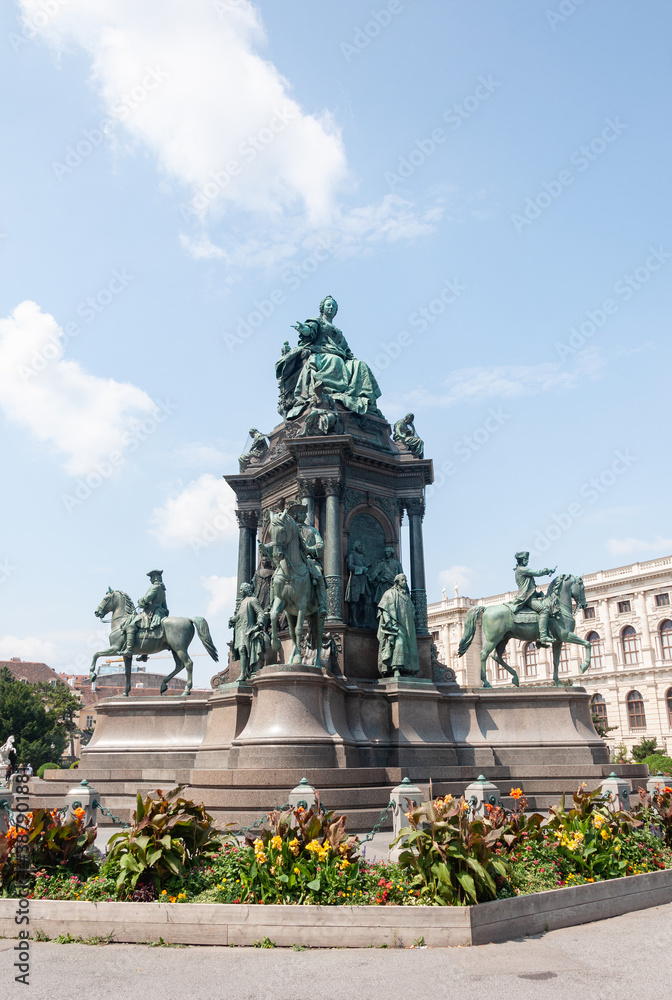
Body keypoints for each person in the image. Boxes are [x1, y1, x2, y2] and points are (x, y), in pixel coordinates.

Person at [276, 296, 382, 417]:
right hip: (321, 354)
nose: (331, 307)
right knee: (335, 360)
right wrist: (304, 330)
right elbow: (310, 331)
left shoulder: (338, 331)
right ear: (322, 308)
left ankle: (364, 400)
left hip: (339, 355)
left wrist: (351, 359)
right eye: (328, 305)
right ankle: (328, 393)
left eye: (333, 306)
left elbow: (346, 351)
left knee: (360, 365)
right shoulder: (317, 322)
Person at [509, 551, 557, 646]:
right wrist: (548, 570)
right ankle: (543, 636)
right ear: (521, 560)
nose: (527, 561)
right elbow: (537, 573)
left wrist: (538, 594)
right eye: (525, 559)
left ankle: (539, 640)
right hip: (527, 599)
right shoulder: (522, 570)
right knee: (544, 611)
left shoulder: (520, 570)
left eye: (527, 559)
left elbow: (527, 586)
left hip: (530, 596)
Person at [289, 503, 328, 617]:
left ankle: (322, 604)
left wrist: (309, 549)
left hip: (310, 560)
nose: (304, 515)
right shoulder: (290, 530)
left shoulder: (312, 530)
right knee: (275, 578)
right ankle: (272, 605)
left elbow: (320, 545)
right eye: (301, 513)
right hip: (292, 562)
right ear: (295, 516)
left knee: (319, 575)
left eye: (304, 513)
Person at [377, 573, 420, 677]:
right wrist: (388, 622)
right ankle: (396, 668)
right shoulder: (389, 593)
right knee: (399, 643)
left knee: (409, 646)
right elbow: (384, 609)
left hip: (408, 626)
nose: (404, 582)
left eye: (405, 580)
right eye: (402, 580)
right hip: (396, 625)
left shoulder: (406, 596)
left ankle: (408, 669)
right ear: (397, 582)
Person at [121, 570, 170, 656]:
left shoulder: (154, 587)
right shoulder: (162, 589)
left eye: (150, 578)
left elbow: (146, 599)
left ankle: (129, 649)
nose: (150, 580)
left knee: (131, 625)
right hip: (160, 613)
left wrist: (140, 601)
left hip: (151, 612)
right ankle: (144, 655)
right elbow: (165, 606)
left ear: (153, 578)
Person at [228, 582, 269, 681]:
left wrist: (259, 624)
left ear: (247, 589)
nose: (240, 591)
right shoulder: (241, 602)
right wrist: (232, 619)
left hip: (248, 629)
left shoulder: (252, 600)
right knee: (241, 649)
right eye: (240, 589)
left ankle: (244, 673)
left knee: (243, 649)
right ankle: (243, 673)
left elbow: (260, 612)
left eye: (242, 589)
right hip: (240, 629)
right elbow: (239, 616)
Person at [345, 541, 370, 628]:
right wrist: (361, 569)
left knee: (367, 599)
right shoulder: (352, 555)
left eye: (361, 546)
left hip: (363, 580)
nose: (361, 547)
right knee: (354, 600)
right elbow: (350, 566)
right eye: (359, 546)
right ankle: (354, 620)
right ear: (355, 547)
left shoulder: (362, 556)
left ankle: (365, 621)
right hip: (355, 580)